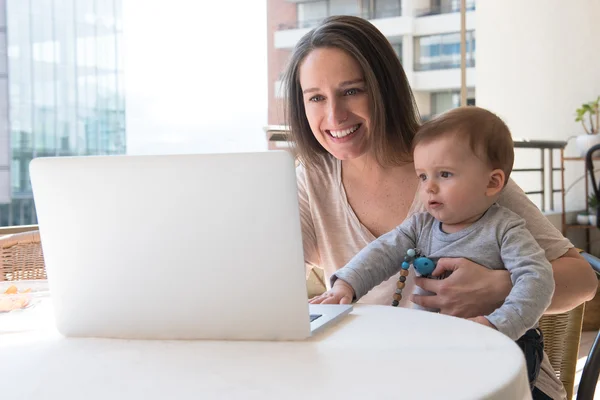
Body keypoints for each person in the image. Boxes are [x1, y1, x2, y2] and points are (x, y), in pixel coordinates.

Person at [281, 15, 596, 400]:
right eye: (315, 97)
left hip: (496, 381)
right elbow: (263, 280)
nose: (334, 116)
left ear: (384, 89)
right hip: (381, 379)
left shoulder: (456, 169)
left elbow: (583, 280)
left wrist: (499, 288)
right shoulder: (311, 179)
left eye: (351, 91)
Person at [310, 106, 554, 392]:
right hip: (439, 342)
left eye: (445, 174)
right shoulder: (420, 225)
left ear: (492, 182)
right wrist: (345, 286)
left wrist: (497, 326)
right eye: (423, 176)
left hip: (504, 345)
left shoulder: (506, 230)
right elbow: (382, 251)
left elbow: (538, 279)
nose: (429, 188)